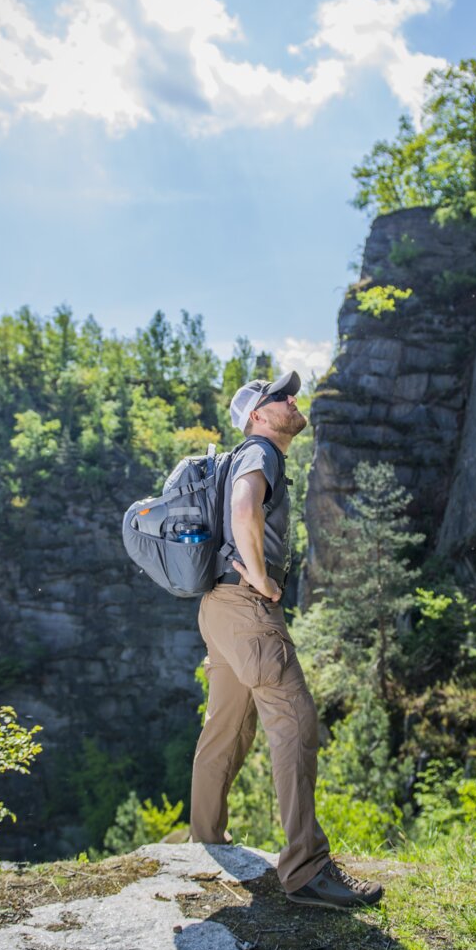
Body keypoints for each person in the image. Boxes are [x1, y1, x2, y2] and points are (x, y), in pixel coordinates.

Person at [188, 370, 383, 911]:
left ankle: (205, 837)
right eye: (279, 397)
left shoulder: (239, 456)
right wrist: (262, 577)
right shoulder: (260, 453)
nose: (292, 400)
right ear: (257, 415)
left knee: (226, 726)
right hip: (246, 609)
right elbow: (246, 508)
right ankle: (305, 871)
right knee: (295, 723)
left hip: (216, 609)